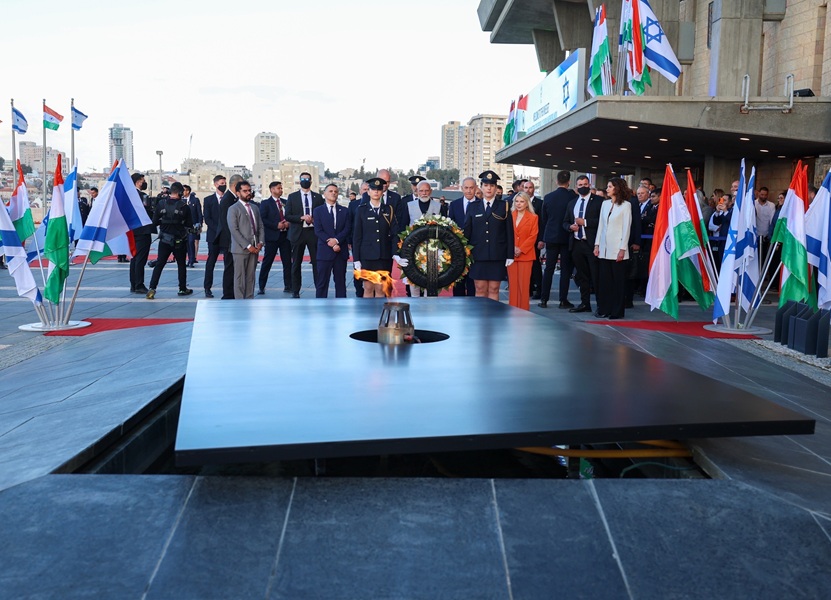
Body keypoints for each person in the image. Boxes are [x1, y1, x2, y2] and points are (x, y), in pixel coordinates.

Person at [353, 177, 407, 298]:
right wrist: (356, 259)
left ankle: (379, 315)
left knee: (381, 289)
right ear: (368, 192)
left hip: (384, 256)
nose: (376, 192)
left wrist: (395, 254)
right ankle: (368, 315)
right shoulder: (361, 210)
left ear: (382, 192)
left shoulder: (388, 209)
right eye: (373, 189)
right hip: (367, 256)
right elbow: (357, 236)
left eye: (379, 189)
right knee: (368, 288)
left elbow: (394, 234)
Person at [464, 170, 514, 301]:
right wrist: (464, 253)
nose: (489, 188)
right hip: (478, 255)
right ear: (481, 187)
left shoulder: (504, 206)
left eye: (492, 186)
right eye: (486, 185)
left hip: (497, 255)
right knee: (480, 289)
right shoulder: (473, 207)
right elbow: (467, 232)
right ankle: (480, 319)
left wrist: (510, 255)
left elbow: (509, 232)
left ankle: (492, 319)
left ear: (496, 188)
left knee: (494, 289)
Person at [594, 178, 633, 319]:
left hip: (617, 249)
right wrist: (597, 244)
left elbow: (626, 228)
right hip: (604, 249)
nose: (607, 189)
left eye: (610, 186)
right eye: (607, 186)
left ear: (617, 188)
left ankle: (617, 311)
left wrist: (622, 249)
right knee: (605, 282)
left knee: (618, 282)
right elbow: (601, 226)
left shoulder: (626, 205)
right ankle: (605, 309)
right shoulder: (604, 204)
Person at [563, 175, 603, 313]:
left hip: (592, 244)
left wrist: (585, 222)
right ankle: (585, 303)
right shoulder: (572, 203)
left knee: (596, 276)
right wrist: (569, 227)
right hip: (576, 244)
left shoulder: (599, 201)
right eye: (580, 185)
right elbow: (565, 222)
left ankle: (600, 305)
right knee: (582, 276)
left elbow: (602, 222)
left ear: (590, 184)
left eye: (585, 184)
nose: (583, 187)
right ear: (576, 187)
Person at [537, 170, 577, 308]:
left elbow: (544, 219)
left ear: (556, 181)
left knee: (549, 268)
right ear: (569, 182)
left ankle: (544, 299)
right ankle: (562, 300)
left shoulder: (548, 197)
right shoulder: (572, 197)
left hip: (551, 236)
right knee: (565, 270)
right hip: (567, 236)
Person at [145, 182, 192, 299]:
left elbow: (154, 222)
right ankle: (182, 288)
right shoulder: (184, 206)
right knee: (181, 264)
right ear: (181, 193)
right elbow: (189, 224)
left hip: (164, 240)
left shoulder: (161, 204)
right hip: (179, 240)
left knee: (160, 264)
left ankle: (152, 288)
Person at [285, 171, 323, 298]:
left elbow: (322, 215)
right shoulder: (292, 196)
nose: (305, 181)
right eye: (303, 179)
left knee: (317, 263)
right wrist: (301, 217)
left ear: (311, 181)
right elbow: (288, 215)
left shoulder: (318, 197)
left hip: (313, 233)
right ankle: (295, 290)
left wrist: (314, 219)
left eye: (307, 179)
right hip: (298, 233)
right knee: (296, 263)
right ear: (299, 181)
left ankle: (319, 289)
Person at [313, 183, 352, 298]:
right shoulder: (318, 211)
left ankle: (341, 308)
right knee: (322, 283)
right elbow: (318, 230)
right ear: (324, 194)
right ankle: (320, 308)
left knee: (340, 283)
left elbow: (347, 228)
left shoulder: (344, 210)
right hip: (324, 252)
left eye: (335, 191)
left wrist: (336, 240)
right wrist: (330, 242)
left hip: (340, 252)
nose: (333, 193)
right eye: (330, 191)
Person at [406, 180, 443, 296]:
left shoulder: (439, 206)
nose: (424, 193)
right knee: (414, 282)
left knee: (431, 282)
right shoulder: (409, 206)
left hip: (433, 250)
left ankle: (430, 308)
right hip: (413, 250)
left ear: (431, 191)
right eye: (421, 191)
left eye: (427, 190)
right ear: (416, 192)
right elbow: (404, 227)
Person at [227, 180, 263, 299]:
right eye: (245, 191)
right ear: (238, 193)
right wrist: (248, 246)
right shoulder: (233, 209)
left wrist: (260, 242)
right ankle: (239, 303)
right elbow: (234, 230)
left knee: (251, 277)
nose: (248, 193)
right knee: (240, 278)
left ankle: (249, 300)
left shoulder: (255, 207)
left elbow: (261, 226)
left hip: (255, 248)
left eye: (249, 190)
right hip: (240, 249)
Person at [258, 181, 292, 294]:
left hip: (285, 237)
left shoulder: (286, 202)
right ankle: (261, 286)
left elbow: (290, 216)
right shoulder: (265, 203)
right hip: (272, 237)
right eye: (278, 188)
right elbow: (262, 219)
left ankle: (288, 285)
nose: (281, 190)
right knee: (267, 262)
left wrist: (288, 223)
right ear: (272, 189)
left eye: (281, 188)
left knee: (287, 262)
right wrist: (276, 225)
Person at [507, 192, 539, 310]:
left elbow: (533, 236)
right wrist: (513, 248)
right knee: (513, 286)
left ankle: (523, 312)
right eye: (517, 201)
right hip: (511, 255)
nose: (519, 204)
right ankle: (512, 310)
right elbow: (506, 234)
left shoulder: (533, 217)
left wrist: (521, 249)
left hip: (526, 255)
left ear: (527, 203)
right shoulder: (509, 215)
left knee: (524, 286)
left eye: (522, 201)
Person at [448, 177, 477, 296]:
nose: (469, 191)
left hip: (475, 251)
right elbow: (450, 226)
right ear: (462, 188)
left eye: (471, 188)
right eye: (466, 188)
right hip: (458, 251)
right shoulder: (454, 205)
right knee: (458, 283)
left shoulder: (481, 204)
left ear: (476, 188)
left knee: (473, 285)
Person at [129, 172, 155, 294]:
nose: (144, 183)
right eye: (143, 181)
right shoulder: (141, 196)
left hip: (132, 230)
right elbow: (147, 211)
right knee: (140, 258)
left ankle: (133, 284)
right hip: (142, 230)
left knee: (134, 258)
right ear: (138, 182)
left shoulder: (128, 195)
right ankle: (139, 284)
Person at [218, 174, 243, 299]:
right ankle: (228, 294)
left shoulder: (233, 198)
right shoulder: (227, 199)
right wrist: (235, 239)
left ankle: (233, 291)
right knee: (229, 267)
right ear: (234, 185)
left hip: (233, 240)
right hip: (229, 241)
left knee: (234, 268)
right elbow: (226, 223)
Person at [202, 174, 227, 298]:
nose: (224, 186)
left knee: (228, 263)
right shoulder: (208, 200)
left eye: (225, 183)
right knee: (211, 262)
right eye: (222, 184)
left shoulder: (230, 199)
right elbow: (207, 218)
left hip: (227, 237)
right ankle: (207, 287)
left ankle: (227, 289)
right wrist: (218, 230)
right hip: (213, 236)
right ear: (216, 184)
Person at [522, 180, 544, 299]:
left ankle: (539, 290)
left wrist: (541, 239)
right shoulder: (519, 202)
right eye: (525, 187)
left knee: (535, 266)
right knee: (525, 266)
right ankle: (528, 289)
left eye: (530, 187)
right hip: (522, 241)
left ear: (533, 189)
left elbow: (542, 222)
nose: (528, 190)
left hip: (535, 240)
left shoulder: (540, 203)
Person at [348, 181, 368, 298]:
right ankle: (359, 292)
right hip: (357, 243)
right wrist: (349, 241)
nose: (365, 192)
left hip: (371, 243)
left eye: (367, 189)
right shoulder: (353, 205)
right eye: (364, 189)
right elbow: (350, 224)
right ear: (360, 191)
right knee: (358, 270)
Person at [183, 185, 202, 268]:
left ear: (188, 191)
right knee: (186, 243)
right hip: (183, 226)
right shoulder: (181, 200)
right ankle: (186, 259)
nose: (182, 192)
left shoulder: (195, 200)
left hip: (193, 226)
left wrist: (200, 224)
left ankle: (191, 260)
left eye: (183, 190)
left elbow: (199, 213)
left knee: (191, 242)